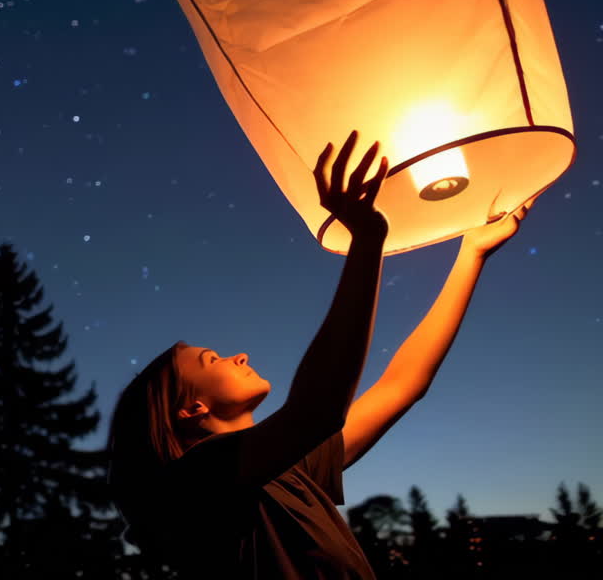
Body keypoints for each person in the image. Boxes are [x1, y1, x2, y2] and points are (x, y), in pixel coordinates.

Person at [106, 129, 534, 579]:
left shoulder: (292, 470)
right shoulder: (198, 480)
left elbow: (402, 385)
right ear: (192, 408)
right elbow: (318, 410)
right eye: (212, 360)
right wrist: (366, 240)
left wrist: (471, 255)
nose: (239, 355)